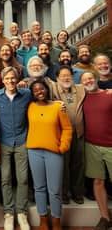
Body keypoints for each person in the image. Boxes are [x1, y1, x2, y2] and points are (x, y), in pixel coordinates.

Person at [0, 67, 31, 230]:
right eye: (7, 78)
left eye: (13, 78)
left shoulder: (26, 94)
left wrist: (57, 103)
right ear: (3, 80)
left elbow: (43, 99)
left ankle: (21, 212)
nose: (10, 81)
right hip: (3, 142)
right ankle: (9, 213)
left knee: (23, 178)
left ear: (17, 78)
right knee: (5, 178)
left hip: (22, 141)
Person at [26, 79, 72, 230]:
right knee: (39, 188)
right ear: (32, 93)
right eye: (36, 90)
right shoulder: (30, 106)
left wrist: (63, 146)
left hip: (54, 153)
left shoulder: (58, 107)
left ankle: (56, 221)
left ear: (47, 89)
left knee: (55, 190)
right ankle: (43, 219)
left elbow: (67, 128)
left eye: (42, 89)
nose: (40, 91)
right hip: (34, 152)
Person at [80, 71, 112, 230]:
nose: (88, 81)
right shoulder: (82, 97)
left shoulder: (109, 95)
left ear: (96, 79)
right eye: (84, 80)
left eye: (90, 78)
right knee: (98, 181)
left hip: (111, 145)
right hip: (91, 145)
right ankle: (105, 217)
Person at [51, 66, 85, 204]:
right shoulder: (53, 90)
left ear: (72, 77)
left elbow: (96, 89)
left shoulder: (81, 89)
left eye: (68, 75)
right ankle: (63, 194)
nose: (66, 78)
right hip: (62, 134)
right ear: (57, 78)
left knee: (79, 164)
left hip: (79, 133)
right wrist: (54, 103)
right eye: (63, 76)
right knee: (63, 165)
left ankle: (78, 193)